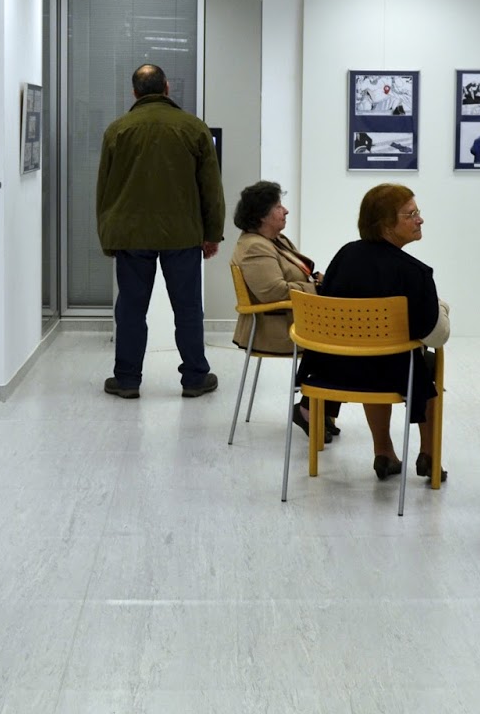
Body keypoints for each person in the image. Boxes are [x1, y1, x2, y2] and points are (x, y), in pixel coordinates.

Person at [297, 184, 449, 481]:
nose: (420, 219)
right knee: (427, 362)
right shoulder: (415, 272)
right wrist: (442, 307)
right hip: (390, 375)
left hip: (333, 370)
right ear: (385, 225)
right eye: (411, 214)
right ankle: (429, 455)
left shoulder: (344, 256)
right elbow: (436, 336)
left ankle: (384, 452)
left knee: (373, 353)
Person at [96, 63, 226, 399]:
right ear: (167, 88)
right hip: (182, 234)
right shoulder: (193, 128)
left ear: (134, 92)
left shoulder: (117, 130)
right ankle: (195, 377)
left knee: (130, 309)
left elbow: (105, 189)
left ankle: (127, 380)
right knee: (187, 309)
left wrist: (107, 236)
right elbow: (211, 188)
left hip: (131, 234)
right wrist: (212, 233)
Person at [229, 181, 333, 441]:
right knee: (340, 341)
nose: (285, 211)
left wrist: (316, 282)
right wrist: (316, 288)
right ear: (261, 215)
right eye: (278, 206)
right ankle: (310, 408)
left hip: (294, 317)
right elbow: (274, 292)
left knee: (343, 336)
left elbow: (298, 277)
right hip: (275, 326)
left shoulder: (275, 240)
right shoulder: (255, 247)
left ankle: (319, 407)